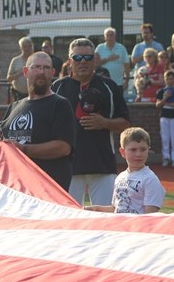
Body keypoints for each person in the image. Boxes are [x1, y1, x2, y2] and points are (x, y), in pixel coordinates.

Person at [52, 38, 131, 206]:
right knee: (69, 217)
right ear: (70, 61)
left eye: (87, 57)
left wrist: (105, 123)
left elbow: (126, 124)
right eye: (77, 57)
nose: (83, 62)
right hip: (68, 167)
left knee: (106, 217)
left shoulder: (109, 87)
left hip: (102, 165)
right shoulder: (57, 88)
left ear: (95, 59)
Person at [0, 52, 76, 191]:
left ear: (52, 73)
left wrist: (23, 149)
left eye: (46, 68)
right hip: (16, 188)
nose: (41, 72)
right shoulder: (14, 107)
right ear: (25, 71)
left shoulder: (60, 104)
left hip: (47, 191)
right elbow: (3, 142)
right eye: (37, 67)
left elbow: (63, 148)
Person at [85, 127, 166, 214]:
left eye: (143, 149)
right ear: (122, 152)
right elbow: (117, 209)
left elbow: (150, 216)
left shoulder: (150, 179)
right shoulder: (120, 177)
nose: (138, 154)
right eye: (133, 150)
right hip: (120, 222)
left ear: (148, 151)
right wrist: (95, 209)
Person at [156, 70, 174, 167]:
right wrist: (165, 98)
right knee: (165, 139)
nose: (169, 81)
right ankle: (166, 158)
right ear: (165, 79)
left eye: (171, 79)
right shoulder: (161, 91)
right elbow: (158, 104)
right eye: (167, 79)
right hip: (164, 117)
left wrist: (165, 103)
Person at [95, 27, 131, 94]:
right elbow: (95, 63)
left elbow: (126, 65)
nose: (109, 37)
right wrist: (108, 59)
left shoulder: (121, 48)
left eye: (111, 35)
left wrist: (126, 81)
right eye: (107, 35)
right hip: (103, 83)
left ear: (115, 36)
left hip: (118, 83)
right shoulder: (99, 48)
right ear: (104, 37)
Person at [7, 37, 34, 102]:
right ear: (21, 48)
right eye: (25, 46)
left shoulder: (36, 60)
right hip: (18, 94)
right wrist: (21, 72)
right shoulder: (15, 60)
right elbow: (9, 78)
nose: (27, 48)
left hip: (34, 93)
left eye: (29, 46)